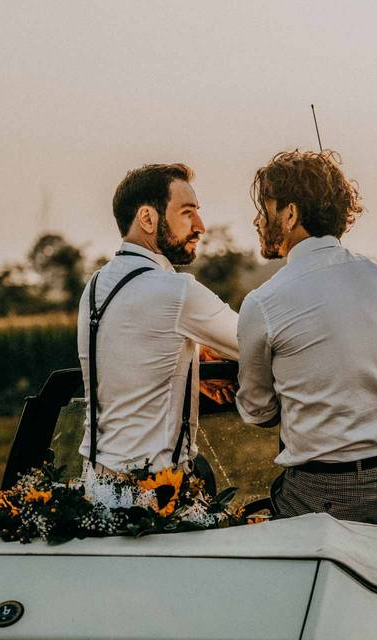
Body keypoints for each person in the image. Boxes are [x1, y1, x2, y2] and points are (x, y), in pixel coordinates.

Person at [235, 150, 377, 542]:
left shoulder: (263, 303)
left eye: (265, 209)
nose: (259, 220)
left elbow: (256, 410)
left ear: (289, 215)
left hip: (325, 494)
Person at [78, 163, 237, 477]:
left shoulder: (95, 286)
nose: (201, 225)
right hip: (156, 491)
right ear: (148, 218)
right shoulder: (177, 291)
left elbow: (138, 359)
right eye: (187, 212)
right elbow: (260, 343)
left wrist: (193, 359)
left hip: (96, 483)